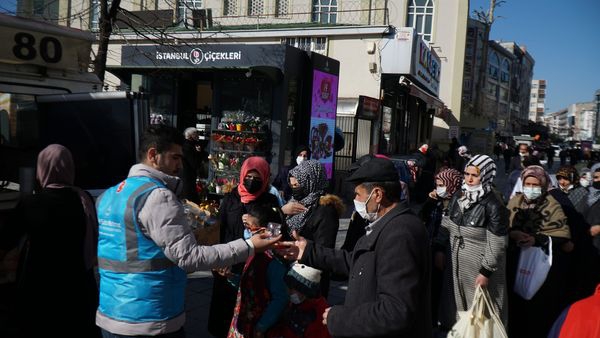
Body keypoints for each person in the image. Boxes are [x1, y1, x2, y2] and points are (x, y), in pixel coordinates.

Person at [95, 126, 280, 338]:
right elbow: (190, 258)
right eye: (175, 157)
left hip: (112, 314)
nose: (180, 165)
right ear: (153, 155)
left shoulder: (109, 196)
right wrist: (249, 246)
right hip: (150, 318)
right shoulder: (157, 197)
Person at [278, 158, 432, 337]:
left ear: (377, 195)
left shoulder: (401, 233)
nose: (355, 200)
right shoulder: (384, 225)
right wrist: (308, 252)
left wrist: (340, 317)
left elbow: (395, 311)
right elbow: (357, 262)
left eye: (358, 194)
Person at [0, 144, 100, 338]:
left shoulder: (31, 204)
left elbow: (6, 241)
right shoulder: (84, 199)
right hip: (78, 291)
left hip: (39, 292)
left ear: (41, 169)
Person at [209, 156, 285, 338]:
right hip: (229, 263)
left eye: (257, 178)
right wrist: (217, 259)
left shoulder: (270, 201)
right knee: (225, 316)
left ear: (266, 178)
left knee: (252, 314)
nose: (252, 181)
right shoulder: (230, 199)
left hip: (257, 265)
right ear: (242, 175)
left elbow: (277, 232)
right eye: (248, 177)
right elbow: (220, 230)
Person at [443, 154, 509, 329]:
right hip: (458, 264)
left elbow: (497, 243)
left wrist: (485, 271)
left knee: (483, 311)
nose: (469, 179)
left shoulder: (494, 204)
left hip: (479, 268)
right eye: (467, 174)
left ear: (486, 175)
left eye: (475, 175)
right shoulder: (459, 196)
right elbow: (448, 223)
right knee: (461, 310)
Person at [506, 165, 572, 338]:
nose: (531, 188)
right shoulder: (515, 202)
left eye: (535, 185)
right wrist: (513, 233)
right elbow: (503, 227)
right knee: (515, 310)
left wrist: (537, 239)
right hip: (514, 263)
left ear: (543, 185)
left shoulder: (552, 205)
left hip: (539, 268)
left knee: (536, 313)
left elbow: (562, 235)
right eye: (527, 184)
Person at [283, 159, 344, 297]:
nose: (295, 189)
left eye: (298, 185)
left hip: (309, 279)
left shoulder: (325, 210)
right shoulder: (294, 203)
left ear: (311, 183)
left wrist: (301, 247)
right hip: (290, 272)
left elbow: (324, 249)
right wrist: (282, 211)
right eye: (292, 186)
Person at [228, 205, 289, 338]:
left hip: (258, 326)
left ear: (264, 231)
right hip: (243, 320)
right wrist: (231, 277)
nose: (247, 232)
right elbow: (249, 283)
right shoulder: (254, 252)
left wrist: (262, 326)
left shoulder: (274, 263)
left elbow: (280, 298)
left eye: (249, 228)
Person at [420, 167, 462, 332]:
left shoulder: (459, 202)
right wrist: (429, 202)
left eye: (442, 184)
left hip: (448, 252)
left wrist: (441, 249)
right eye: (437, 184)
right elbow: (421, 218)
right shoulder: (437, 200)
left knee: (443, 290)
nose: (439, 188)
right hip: (431, 249)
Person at [268, 264, 331, 338]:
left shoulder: (319, 316)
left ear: (305, 290)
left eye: (291, 288)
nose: (288, 292)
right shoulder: (297, 304)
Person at [180, 127, 206, 203]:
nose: (198, 135)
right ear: (191, 136)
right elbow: (195, 164)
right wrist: (198, 153)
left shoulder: (190, 145)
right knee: (190, 200)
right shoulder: (188, 147)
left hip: (188, 177)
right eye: (196, 134)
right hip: (187, 177)